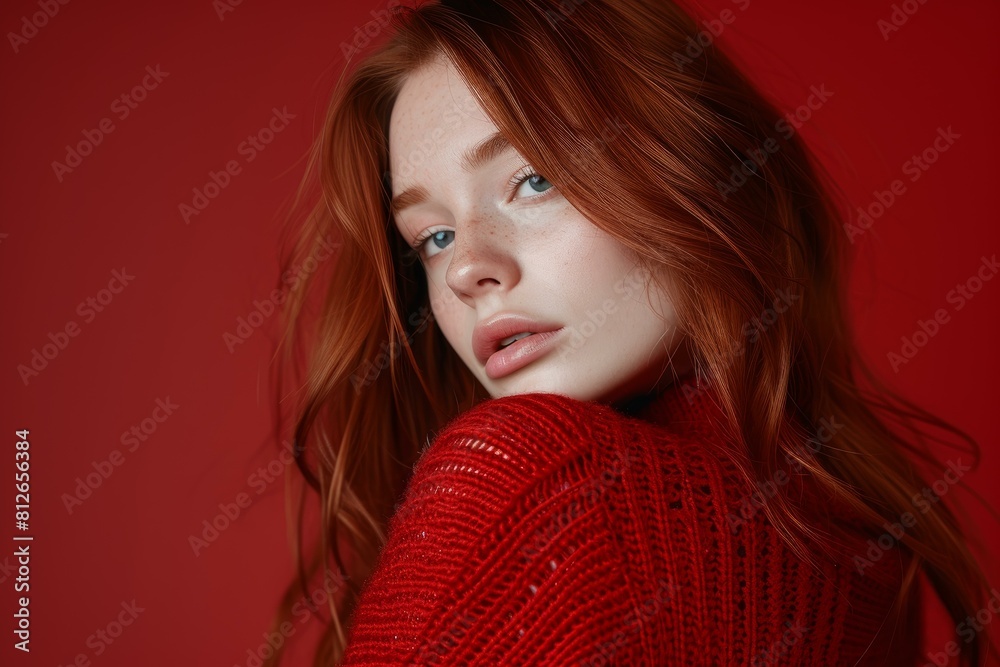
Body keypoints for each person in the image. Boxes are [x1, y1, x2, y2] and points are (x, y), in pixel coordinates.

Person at [264, 0, 995, 664]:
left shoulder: (528, 480)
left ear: (704, 168)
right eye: (434, 236)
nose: (465, 270)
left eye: (535, 180)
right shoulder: (863, 541)